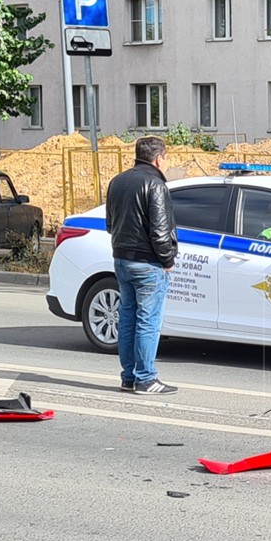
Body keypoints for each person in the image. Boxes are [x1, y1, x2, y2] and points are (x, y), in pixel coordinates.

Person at [104, 136, 178, 395]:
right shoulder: (156, 185)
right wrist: (167, 260)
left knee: (128, 319)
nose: (166, 163)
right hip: (148, 263)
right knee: (148, 321)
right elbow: (160, 231)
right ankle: (145, 379)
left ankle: (128, 377)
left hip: (122, 259)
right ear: (159, 158)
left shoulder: (117, 181)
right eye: (166, 158)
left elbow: (110, 224)